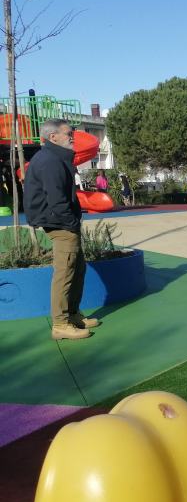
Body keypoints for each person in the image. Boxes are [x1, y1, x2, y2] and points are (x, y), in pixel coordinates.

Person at [22, 119, 99, 340]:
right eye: (69, 133)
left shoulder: (56, 157)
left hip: (62, 222)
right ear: (53, 137)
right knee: (65, 273)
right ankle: (60, 324)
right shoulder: (50, 161)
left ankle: (73, 314)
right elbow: (57, 200)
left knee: (77, 269)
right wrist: (71, 222)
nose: (73, 135)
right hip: (60, 224)